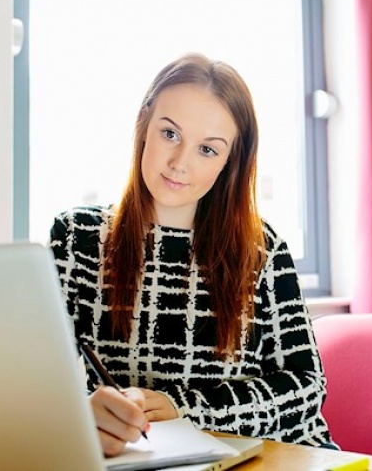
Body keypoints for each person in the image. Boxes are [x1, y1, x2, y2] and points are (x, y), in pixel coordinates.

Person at [49, 53, 335, 457]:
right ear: (144, 125)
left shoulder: (263, 249)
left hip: (262, 460)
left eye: (207, 150)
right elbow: (40, 381)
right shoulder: (76, 237)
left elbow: (306, 387)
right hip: (136, 461)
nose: (180, 163)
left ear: (230, 162)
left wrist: (185, 408)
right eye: (170, 134)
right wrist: (85, 413)